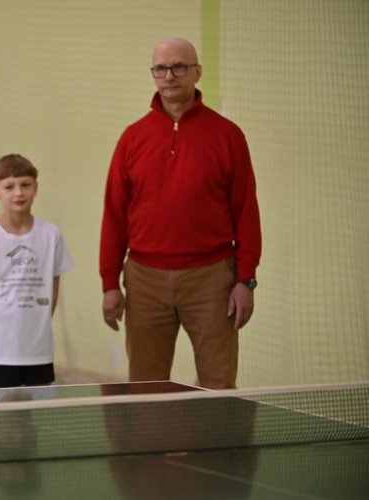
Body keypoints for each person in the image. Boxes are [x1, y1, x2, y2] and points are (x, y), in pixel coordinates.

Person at [99, 38, 261, 389]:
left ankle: (218, 447)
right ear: (154, 75)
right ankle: (152, 447)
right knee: (145, 386)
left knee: (218, 385)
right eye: (161, 68)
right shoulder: (132, 138)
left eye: (179, 67)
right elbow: (114, 215)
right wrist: (110, 283)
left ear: (197, 72)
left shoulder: (228, 136)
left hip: (212, 279)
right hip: (144, 280)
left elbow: (246, 211)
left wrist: (245, 279)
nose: (169, 75)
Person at [0, 154, 74, 388]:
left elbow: (51, 295)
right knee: (7, 419)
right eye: (9, 187)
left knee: (36, 414)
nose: (18, 193)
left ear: (36, 188)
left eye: (25, 185)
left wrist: (36, 328)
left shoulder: (51, 236)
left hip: (39, 350)